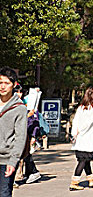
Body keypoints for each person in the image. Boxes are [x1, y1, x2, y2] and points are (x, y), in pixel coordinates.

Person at [0, 67, 28, 197]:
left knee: (4, 194)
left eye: (7, 83)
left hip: (6, 160)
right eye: (0, 82)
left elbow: (20, 137)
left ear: (14, 85)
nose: (3, 87)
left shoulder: (19, 108)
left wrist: (13, 161)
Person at [69, 87, 93, 191]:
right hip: (86, 138)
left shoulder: (81, 107)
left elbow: (76, 121)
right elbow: (88, 123)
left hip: (79, 138)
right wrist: (80, 131)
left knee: (85, 161)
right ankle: (74, 181)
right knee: (83, 161)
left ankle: (91, 180)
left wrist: (74, 133)